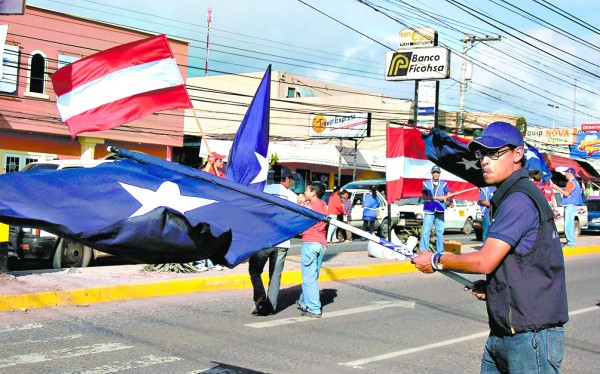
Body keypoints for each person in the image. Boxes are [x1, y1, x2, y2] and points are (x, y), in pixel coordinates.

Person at [411, 121, 568, 373]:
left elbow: (485, 261)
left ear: (517, 154)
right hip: (504, 332)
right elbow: (523, 261)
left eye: (494, 153)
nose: (485, 160)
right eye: (481, 153)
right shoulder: (508, 196)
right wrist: (496, 287)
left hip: (530, 338)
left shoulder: (519, 199)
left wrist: (435, 260)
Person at [249, 165, 299, 316]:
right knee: (275, 276)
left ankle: (259, 297)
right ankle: (270, 307)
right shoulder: (291, 196)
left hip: (263, 240)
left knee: (254, 271)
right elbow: (293, 218)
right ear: (287, 179)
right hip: (282, 242)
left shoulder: (264, 191)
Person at [296, 181, 328, 318]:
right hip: (321, 243)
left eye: (307, 190)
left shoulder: (310, 206)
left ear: (313, 192)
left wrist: (300, 204)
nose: (305, 192)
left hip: (310, 242)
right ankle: (304, 302)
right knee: (312, 276)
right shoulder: (323, 205)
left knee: (309, 278)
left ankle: (314, 308)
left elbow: (299, 217)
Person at [195, 151, 226, 271]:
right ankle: (199, 262)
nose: (222, 162)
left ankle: (212, 261)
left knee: (214, 237)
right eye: (220, 160)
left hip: (217, 210)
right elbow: (201, 179)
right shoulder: (205, 171)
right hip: (204, 209)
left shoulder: (221, 175)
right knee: (203, 236)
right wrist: (209, 164)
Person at [420, 166, 451, 254]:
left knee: (440, 232)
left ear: (440, 174)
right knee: (426, 231)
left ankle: (440, 252)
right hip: (429, 210)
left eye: (437, 172)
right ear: (432, 174)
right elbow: (425, 196)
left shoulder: (444, 184)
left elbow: (448, 194)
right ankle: (423, 251)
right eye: (434, 172)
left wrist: (449, 198)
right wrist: (438, 198)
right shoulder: (426, 183)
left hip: (440, 210)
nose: (436, 174)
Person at [553, 167, 583, 247]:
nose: (565, 174)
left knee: (568, 224)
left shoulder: (571, 182)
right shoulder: (576, 182)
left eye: (566, 173)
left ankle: (571, 242)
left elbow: (566, 193)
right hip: (573, 205)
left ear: (570, 173)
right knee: (570, 224)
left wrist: (556, 187)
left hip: (570, 205)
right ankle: (570, 241)